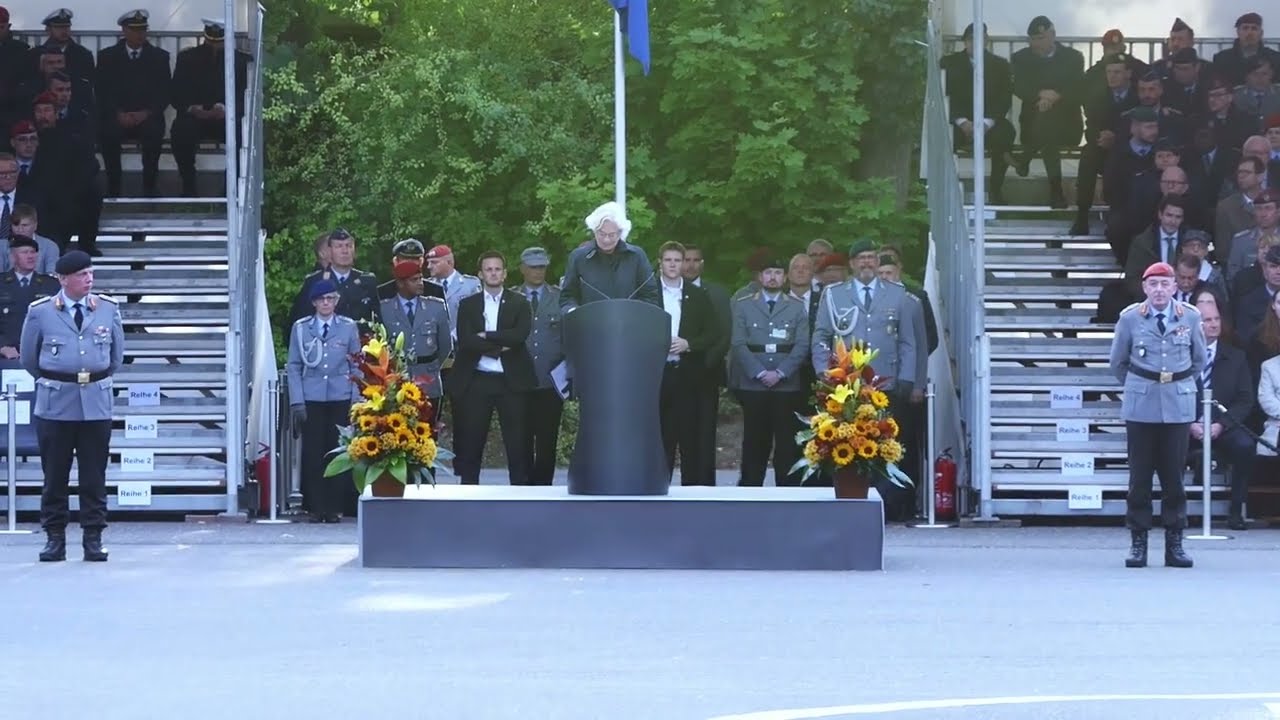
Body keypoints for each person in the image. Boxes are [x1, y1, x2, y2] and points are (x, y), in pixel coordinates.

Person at [20, 251, 124, 563]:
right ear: (63, 279)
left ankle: (93, 538)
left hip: (95, 403)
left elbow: (115, 358)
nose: (88, 279)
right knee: (55, 476)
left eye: (90, 273)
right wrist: (59, 379)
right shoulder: (41, 311)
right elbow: (29, 359)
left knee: (94, 476)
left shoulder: (107, 308)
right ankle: (55, 538)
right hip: (56, 403)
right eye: (81, 275)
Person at [1109, 261, 1206, 569]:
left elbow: (1198, 360)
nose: (1160, 290)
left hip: (1177, 406)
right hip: (1141, 406)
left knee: (1174, 478)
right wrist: (1140, 386)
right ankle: (1138, 541)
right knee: (1139, 478)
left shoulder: (1190, 316)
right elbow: (1118, 363)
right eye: (1154, 284)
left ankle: (1174, 543)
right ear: (1145, 288)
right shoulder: (1130, 318)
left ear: (1175, 287)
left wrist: (1175, 385)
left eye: (1165, 284)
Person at [448, 251, 537, 485]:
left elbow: (519, 335)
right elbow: (466, 340)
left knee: (518, 445)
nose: (493, 273)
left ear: (505, 274)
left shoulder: (520, 302)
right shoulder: (468, 305)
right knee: (471, 443)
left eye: (497, 269)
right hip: (477, 380)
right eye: (489, 269)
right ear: (480, 274)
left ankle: (519, 493)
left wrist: (487, 335)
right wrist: (499, 347)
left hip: (511, 381)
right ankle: (469, 494)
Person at [285, 279, 361, 523]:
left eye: (330, 299)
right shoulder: (302, 328)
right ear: (314, 303)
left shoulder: (348, 327)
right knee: (313, 452)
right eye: (322, 299)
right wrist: (297, 401)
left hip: (340, 396)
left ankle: (335, 506)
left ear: (336, 301)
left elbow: (356, 365)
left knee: (338, 451)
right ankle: (316, 506)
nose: (326, 303)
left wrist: (356, 399)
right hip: (313, 396)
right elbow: (294, 366)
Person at [729, 258, 810, 487]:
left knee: (786, 442)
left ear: (785, 278)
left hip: (786, 384)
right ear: (760, 277)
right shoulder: (744, 305)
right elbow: (738, 343)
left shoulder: (796, 307)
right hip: (754, 383)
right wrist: (759, 372)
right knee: (754, 441)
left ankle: (787, 491)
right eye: (768, 272)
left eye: (777, 272)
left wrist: (781, 373)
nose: (772, 277)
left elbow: (803, 344)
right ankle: (750, 489)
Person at [1188, 302, 1254, 531]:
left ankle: (1236, 511)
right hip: (1187, 426)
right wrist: (1189, 424)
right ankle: (1181, 511)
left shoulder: (1236, 357)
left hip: (1222, 426)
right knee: (1168, 444)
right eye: (1207, 320)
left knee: (1245, 446)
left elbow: (1245, 399)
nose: (1214, 324)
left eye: (1216, 319)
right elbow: (1169, 395)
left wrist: (1221, 425)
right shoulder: (1181, 356)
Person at [655, 241, 715, 483]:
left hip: (688, 375)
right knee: (660, 437)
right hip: (656, 376)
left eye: (677, 260)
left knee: (691, 436)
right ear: (660, 263)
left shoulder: (698, 295)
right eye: (668, 260)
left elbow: (712, 333)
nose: (672, 265)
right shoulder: (648, 293)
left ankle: (692, 491)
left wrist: (689, 344)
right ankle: (658, 486)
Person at [95, 10, 171, 198]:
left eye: (143, 30)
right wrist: (117, 112)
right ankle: (113, 186)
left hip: (147, 115)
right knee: (107, 133)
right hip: (116, 115)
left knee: (153, 133)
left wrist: (146, 113)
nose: (140, 34)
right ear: (124, 31)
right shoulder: (107, 57)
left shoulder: (159, 57)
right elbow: (101, 90)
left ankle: (150, 186)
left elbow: (164, 92)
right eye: (135, 30)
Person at [513, 246, 565, 486]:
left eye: (542, 267)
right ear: (523, 269)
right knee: (520, 438)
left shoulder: (559, 297)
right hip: (519, 380)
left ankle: (544, 488)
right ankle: (522, 487)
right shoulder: (512, 297)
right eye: (533, 267)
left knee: (547, 439)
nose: (538, 272)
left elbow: (569, 337)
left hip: (550, 380)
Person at [559, 201, 659, 311]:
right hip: (589, 320)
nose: (606, 240)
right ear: (594, 231)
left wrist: (635, 313)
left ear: (620, 233)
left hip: (629, 320)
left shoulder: (636, 256)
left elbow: (650, 295)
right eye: (602, 234)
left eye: (611, 235)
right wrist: (573, 311)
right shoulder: (578, 257)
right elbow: (567, 297)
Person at [379, 258, 451, 409]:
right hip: (396, 383)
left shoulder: (436, 307)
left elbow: (445, 345)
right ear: (400, 283)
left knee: (430, 423)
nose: (420, 283)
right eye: (414, 280)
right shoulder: (384, 309)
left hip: (429, 381)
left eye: (420, 278)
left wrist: (430, 366)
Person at [0, 234, 57, 357]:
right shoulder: (1, 284)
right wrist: (2, 346)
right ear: (12, 256)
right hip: (6, 354)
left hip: (43, 352)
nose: (30, 256)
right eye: (25, 252)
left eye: (33, 252)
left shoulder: (51, 285)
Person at [376, 238, 446, 303]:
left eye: (414, 259)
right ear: (396, 262)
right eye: (405, 259)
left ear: (421, 262)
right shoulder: (381, 293)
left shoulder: (436, 291)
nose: (410, 263)